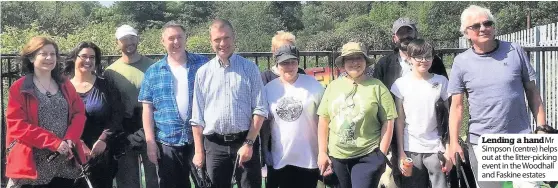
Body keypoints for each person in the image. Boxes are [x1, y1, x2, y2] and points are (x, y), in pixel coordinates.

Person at [448, 5, 547, 188]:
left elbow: (533, 93)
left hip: (521, 138)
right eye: (476, 26)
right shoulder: (461, 62)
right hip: (483, 142)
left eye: (487, 23)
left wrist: (541, 128)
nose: (483, 28)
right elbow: (457, 106)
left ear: (493, 27)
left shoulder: (515, 50)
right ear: (466, 33)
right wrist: (453, 142)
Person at [190, 18, 268, 188]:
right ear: (211, 42)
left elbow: (260, 109)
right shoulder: (203, 73)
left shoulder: (250, 69)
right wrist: (198, 151)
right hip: (214, 147)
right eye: (217, 39)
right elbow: (197, 118)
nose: (222, 43)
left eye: (226, 38)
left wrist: (249, 143)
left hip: (245, 142)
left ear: (234, 38)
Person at [373, 17, 449, 188]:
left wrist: (448, 142)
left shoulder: (434, 63)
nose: (405, 36)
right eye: (401, 33)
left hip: (434, 139)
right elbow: (377, 100)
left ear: (416, 34)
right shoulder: (385, 64)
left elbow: (447, 105)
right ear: (395, 38)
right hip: (400, 138)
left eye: (409, 31)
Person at [5, 36, 87, 188]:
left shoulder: (65, 84)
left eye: (53, 54)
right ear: (31, 58)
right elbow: (17, 125)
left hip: (65, 163)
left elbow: (79, 114)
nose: (49, 58)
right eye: (43, 54)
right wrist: (54, 142)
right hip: (33, 165)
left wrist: (71, 138)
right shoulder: (19, 88)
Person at [138, 21, 209, 188]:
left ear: (186, 38)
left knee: (206, 184)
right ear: (163, 41)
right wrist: (150, 143)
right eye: (171, 38)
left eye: (179, 37)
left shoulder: (203, 64)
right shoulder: (153, 71)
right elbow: (147, 109)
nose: (176, 42)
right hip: (167, 142)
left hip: (200, 139)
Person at [317, 42, 397, 188]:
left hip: (367, 155)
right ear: (343, 63)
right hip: (338, 156)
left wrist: (382, 154)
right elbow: (323, 120)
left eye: (358, 58)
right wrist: (322, 152)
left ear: (365, 61)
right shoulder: (333, 86)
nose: (354, 63)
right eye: (349, 59)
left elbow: (389, 120)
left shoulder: (377, 86)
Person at [390, 39, 453, 188]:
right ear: (410, 58)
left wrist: (449, 148)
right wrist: (401, 152)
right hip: (410, 147)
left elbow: (449, 116)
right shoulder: (400, 84)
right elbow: (399, 120)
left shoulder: (442, 82)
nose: (424, 61)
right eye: (419, 57)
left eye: (428, 56)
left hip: (437, 147)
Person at [103, 24, 158, 188]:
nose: (129, 42)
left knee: (155, 180)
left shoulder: (153, 66)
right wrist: (121, 132)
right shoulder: (111, 72)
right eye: (124, 39)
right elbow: (111, 107)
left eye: (132, 37)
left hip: (152, 131)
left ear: (138, 39)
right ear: (117, 43)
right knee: (127, 182)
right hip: (125, 133)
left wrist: (149, 131)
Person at [263, 44, 324, 188]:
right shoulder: (268, 89)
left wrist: (323, 151)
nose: (289, 66)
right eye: (284, 63)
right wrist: (265, 150)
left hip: (309, 158)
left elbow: (324, 120)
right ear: (277, 65)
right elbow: (266, 124)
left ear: (298, 62)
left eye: (293, 62)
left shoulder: (314, 85)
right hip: (280, 158)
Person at [64, 41, 123, 188]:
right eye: (84, 56)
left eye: (92, 57)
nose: (88, 61)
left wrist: (104, 139)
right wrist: (78, 143)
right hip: (70, 153)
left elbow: (117, 115)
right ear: (74, 58)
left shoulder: (106, 86)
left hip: (101, 153)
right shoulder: (63, 88)